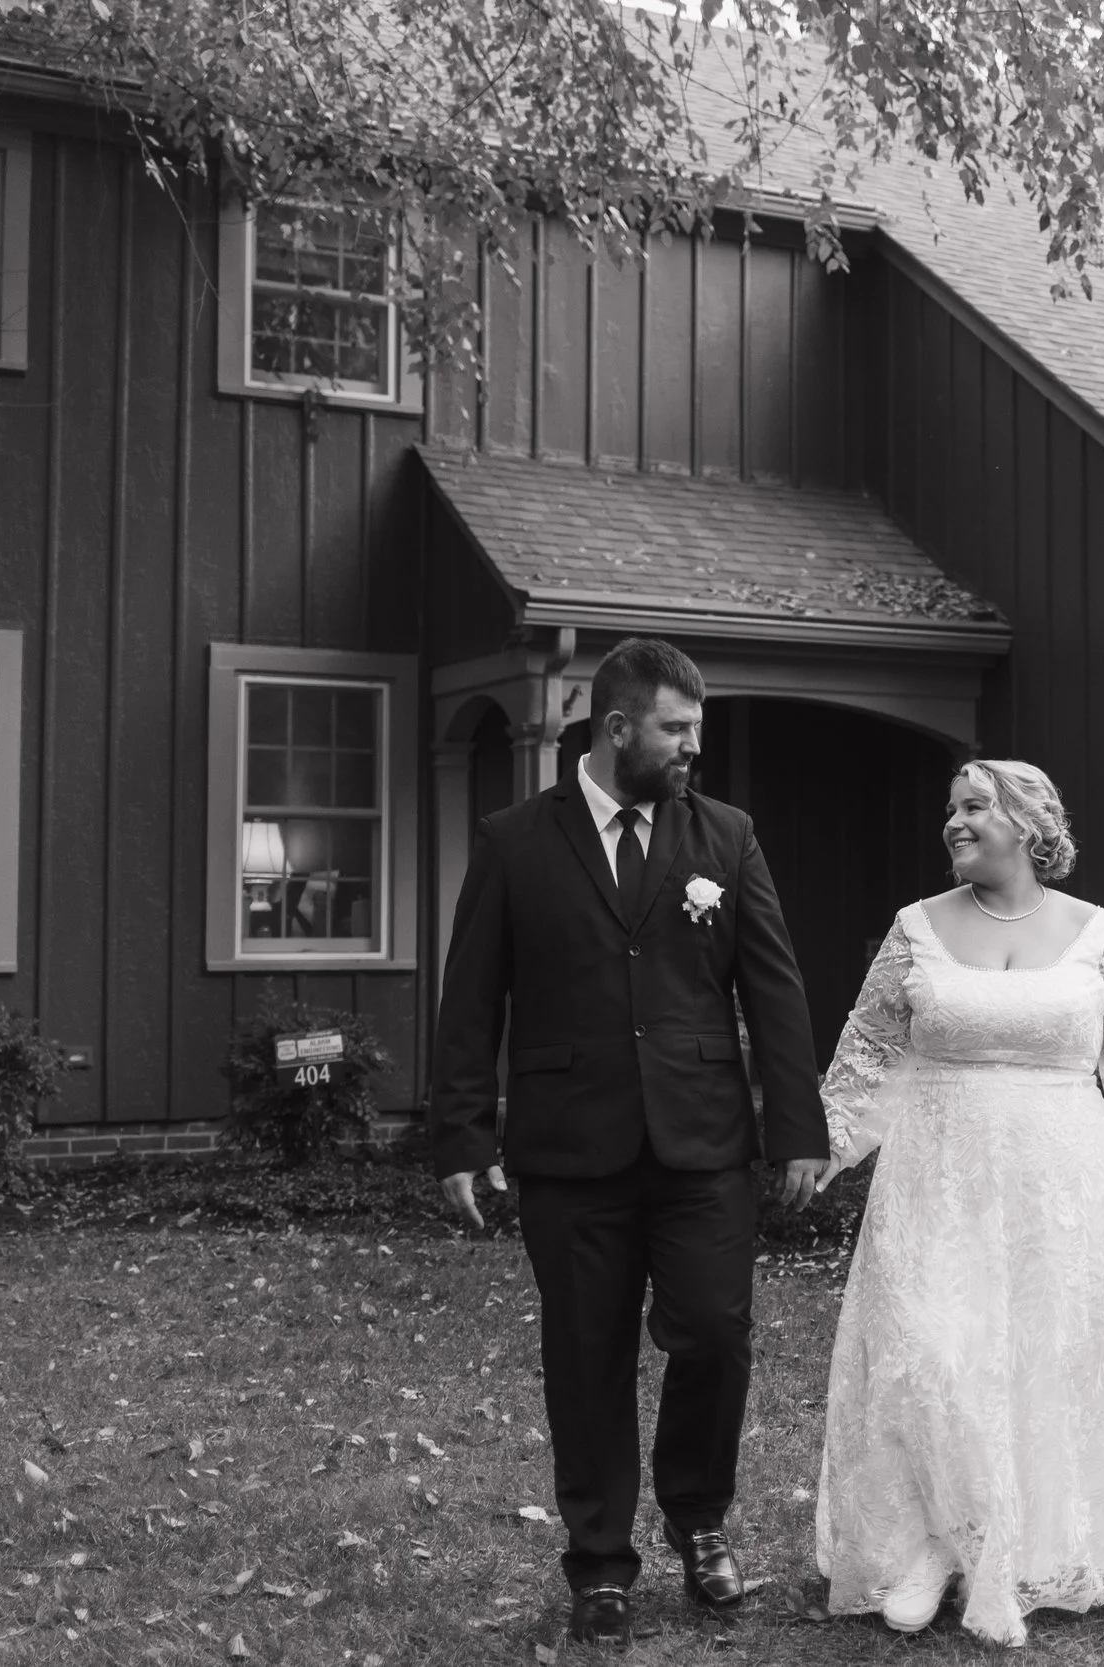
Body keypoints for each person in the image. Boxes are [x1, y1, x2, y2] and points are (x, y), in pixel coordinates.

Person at [429, 637, 833, 1647]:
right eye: (676, 729)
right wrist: (461, 1138)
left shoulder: (726, 837)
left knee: (713, 1332)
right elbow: (470, 1002)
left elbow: (774, 991)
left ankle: (698, 1518)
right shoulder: (516, 840)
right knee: (585, 1355)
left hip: (701, 1145)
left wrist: (796, 1130)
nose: (694, 747)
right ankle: (600, 1563)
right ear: (617, 729)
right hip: (570, 1151)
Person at [811, 758, 1104, 1646]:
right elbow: (864, 1048)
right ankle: (925, 1545)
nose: (954, 823)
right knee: (929, 1348)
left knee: (1045, 1359)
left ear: (1029, 826)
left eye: (974, 808)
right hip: (937, 1176)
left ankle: (1025, 1546)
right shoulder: (915, 928)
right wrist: (815, 1142)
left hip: (1063, 1183)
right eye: (950, 809)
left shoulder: (1096, 933)